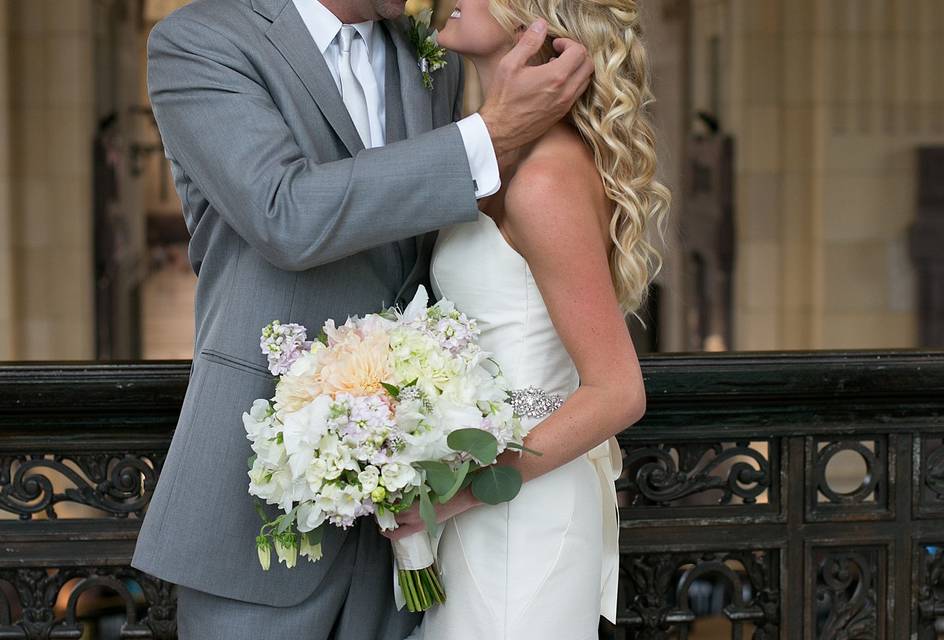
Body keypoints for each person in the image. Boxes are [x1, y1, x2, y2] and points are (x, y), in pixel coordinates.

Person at [130, 0, 594, 638]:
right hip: (259, 498)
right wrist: (491, 133)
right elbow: (283, 215)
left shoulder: (427, 51)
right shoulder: (200, 42)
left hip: (416, 515)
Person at [381, 1, 669, 638]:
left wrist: (458, 492)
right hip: (485, 494)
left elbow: (618, 391)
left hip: (518, 511)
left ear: (534, 17)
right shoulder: (496, 156)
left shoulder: (545, 177)